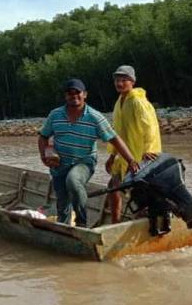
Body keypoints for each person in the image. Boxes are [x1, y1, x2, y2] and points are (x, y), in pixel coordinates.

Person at [38, 78, 139, 227]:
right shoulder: (55, 115)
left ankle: (81, 224)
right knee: (63, 203)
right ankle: (64, 228)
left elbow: (115, 139)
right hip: (59, 163)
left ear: (85, 94)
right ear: (66, 96)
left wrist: (131, 161)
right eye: (70, 93)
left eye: (77, 92)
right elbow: (43, 136)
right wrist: (45, 156)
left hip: (84, 162)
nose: (74, 96)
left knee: (73, 180)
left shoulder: (94, 117)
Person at [105, 65, 162, 223]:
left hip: (140, 155)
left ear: (132, 82)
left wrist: (150, 150)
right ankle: (115, 222)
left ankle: (143, 220)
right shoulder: (119, 102)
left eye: (124, 80)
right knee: (113, 186)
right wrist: (112, 155)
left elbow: (149, 125)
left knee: (139, 191)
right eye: (117, 80)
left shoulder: (137, 101)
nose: (120, 83)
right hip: (125, 155)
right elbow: (117, 132)